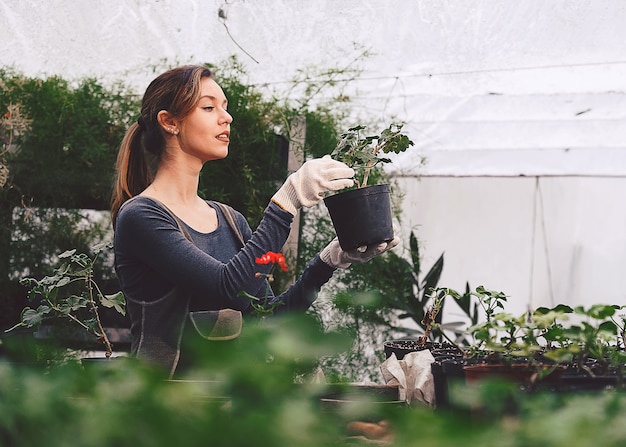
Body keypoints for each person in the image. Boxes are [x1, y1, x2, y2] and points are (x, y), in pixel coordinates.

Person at [110, 65, 399, 378]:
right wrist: (285, 203)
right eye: (209, 107)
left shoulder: (229, 220)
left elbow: (268, 318)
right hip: (165, 413)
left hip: (232, 410)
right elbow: (228, 288)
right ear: (169, 122)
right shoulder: (142, 216)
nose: (226, 117)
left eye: (225, 107)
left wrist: (328, 262)